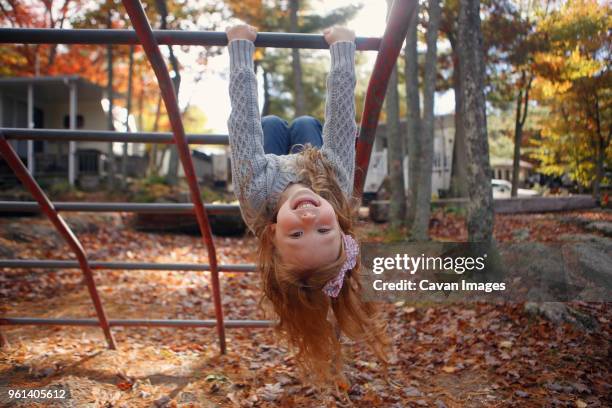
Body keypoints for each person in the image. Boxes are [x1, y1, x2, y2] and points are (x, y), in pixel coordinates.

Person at [226, 23, 389, 385]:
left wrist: (240, 47)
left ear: (271, 234)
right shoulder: (335, 189)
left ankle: (284, 134)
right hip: (312, 165)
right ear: (341, 225)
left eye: (297, 233)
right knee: (305, 124)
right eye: (324, 228)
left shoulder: (254, 190)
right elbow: (342, 120)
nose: (309, 214)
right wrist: (343, 49)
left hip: (267, 171)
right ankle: (300, 131)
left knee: (265, 122)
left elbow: (242, 121)